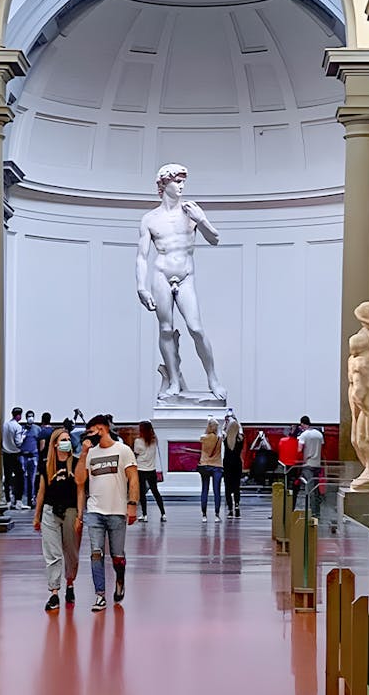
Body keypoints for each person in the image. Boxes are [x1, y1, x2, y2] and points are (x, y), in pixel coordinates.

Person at [136, 164, 227, 401]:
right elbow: (142, 257)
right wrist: (141, 287)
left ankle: (213, 379)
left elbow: (215, 239)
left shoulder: (191, 212)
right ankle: (174, 380)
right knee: (165, 329)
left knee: (196, 328)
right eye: (177, 181)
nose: (182, 186)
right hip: (161, 275)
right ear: (164, 184)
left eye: (183, 181)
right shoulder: (150, 219)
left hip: (186, 276)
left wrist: (201, 220)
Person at [75, 414, 139, 612]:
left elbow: (133, 478)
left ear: (101, 429)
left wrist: (132, 504)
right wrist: (84, 454)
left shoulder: (123, 450)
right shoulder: (90, 453)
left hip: (117, 510)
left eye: (91, 431)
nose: (88, 435)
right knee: (96, 553)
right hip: (95, 511)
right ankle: (100, 594)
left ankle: (120, 579)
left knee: (117, 555)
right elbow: (79, 480)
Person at [33, 428, 81, 612]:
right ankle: (54, 592)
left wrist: (80, 515)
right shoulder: (46, 465)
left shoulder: (76, 463)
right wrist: (37, 516)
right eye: (63, 439)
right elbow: (41, 491)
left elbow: (80, 491)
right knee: (52, 553)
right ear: (55, 444)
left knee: (71, 552)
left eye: (68, 439)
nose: (66, 442)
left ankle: (70, 583)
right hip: (50, 510)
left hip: (70, 511)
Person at [133, 420, 166, 523]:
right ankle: (163, 513)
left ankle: (145, 514)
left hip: (140, 469)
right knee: (155, 492)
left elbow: (136, 454)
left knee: (142, 493)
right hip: (152, 469)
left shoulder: (138, 441)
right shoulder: (154, 440)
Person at [198, 418, 223, 523]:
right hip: (217, 465)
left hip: (205, 465)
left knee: (205, 489)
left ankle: (204, 515)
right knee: (217, 491)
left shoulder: (203, 438)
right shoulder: (220, 438)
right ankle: (217, 515)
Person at [296, 416, 324, 508]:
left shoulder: (304, 435)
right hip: (317, 464)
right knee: (316, 486)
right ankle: (318, 505)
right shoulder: (319, 434)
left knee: (310, 487)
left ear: (302, 424)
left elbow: (299, 450)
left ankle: (312, 509)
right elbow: (322, 447)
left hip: (308, 464)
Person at [222, 410, 244, 519]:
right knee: (236, 487)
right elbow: (240, 430)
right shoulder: (240, 440)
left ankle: (230, 510)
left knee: (227, 487)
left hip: (227, 464)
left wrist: (226, 424)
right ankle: (237, 507)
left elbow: (223, 431)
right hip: (237, 464)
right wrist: (236, 421)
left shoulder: (226, 439)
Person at [2, 407, 25, 510]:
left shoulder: (4, 425)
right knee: (20, 478)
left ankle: (7, 501)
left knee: (7, 478)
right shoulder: (18, 427)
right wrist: (23, 437)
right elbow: (18, 442)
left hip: (5, 454)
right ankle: (18, 501)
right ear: (19, 415)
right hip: (15, 454)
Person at [20, 410, 41, 508]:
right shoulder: (22, 429)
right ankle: (24, 500)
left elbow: (40, 443)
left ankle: (31, 500)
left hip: (34, 456)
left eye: (32, 416)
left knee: (32, 480)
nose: (30, 418)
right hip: (23, 456)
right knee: (23, 479)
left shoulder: (37, 429)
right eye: (29, 416)